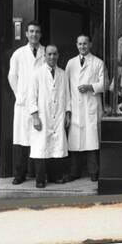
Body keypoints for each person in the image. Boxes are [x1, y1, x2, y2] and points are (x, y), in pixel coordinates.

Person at [26, 45, 71, 188]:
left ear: (58, 55)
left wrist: (68, 113)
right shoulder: (37, 74)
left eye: (55, 54)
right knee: (41, 147)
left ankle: (55, 176)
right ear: (44, 56)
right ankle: (40, 179)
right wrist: (35, 116)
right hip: (43, 115)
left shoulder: (63, 74)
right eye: (49, 54)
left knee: (56, 147)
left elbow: (67, 96)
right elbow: (31, 97)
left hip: (58, 115)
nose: (52, 57)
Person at [7, 21, 45, 185]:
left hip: (40, 102)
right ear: (26, 34)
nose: (34, 34)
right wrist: (19, 95)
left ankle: (40, 176)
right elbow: (12, 76)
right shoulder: (18, 54)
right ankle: (19, 174)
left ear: (40, 34)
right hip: (23, 104)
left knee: (39, 140)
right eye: (31, 31)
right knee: (21, 140)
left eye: (37, 32)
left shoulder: (46, 52)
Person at [65, 35, 106, 182]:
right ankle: (74, 172)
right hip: (75, 107)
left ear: (90, 44)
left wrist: (90, 87)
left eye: (85, 43)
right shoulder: (70, 63)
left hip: (91, 106)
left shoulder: (98, 63)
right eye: (80, 44)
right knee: (75, 142)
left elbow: (105, 84)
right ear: (76, 45)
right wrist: (67, 111)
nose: (82, 46)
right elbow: (66, 88)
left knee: (91, 141)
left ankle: (94, 172)